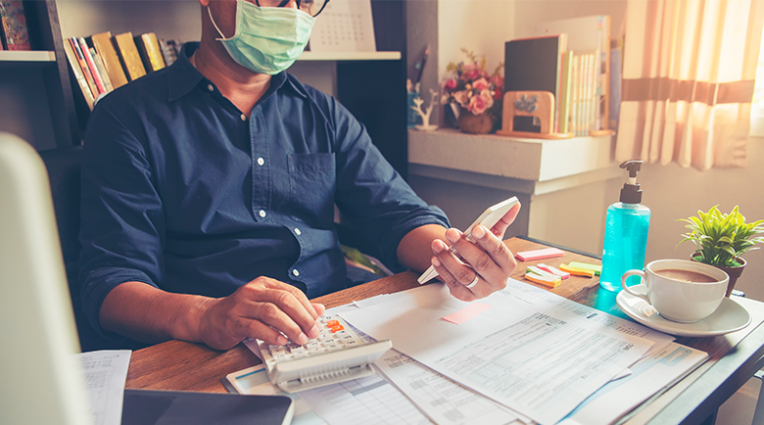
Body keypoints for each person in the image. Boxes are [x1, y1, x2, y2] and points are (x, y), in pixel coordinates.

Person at [78, 0, 521, 351]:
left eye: (305, 0)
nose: (290, 13)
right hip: (211, 349)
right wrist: (206, 316)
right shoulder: (126, 118)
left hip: (333, 325)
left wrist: (454, 257)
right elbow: (110, 287)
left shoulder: (322, 112)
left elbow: (396, 212)